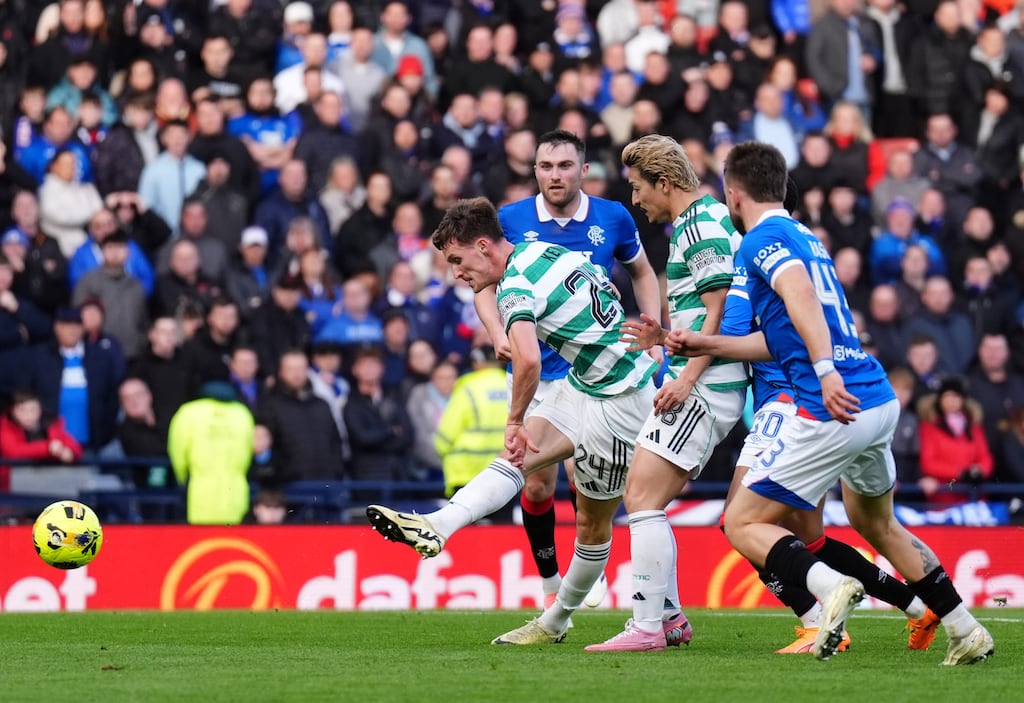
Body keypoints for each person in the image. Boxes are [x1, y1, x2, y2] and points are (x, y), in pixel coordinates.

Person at [707, 141, 992, 665]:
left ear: (733, 193)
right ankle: (964, 628)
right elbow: (786, 330)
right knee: (878, 524)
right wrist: (703, 344)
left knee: (741, 522)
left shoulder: (759, 240)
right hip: (875, 397)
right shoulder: (807, 237)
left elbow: (799, 295)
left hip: (829, 404)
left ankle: (831, 588)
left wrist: (823, 370)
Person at [366, 197, 658, 646]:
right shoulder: (544, 251)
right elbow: (608, 289)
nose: (457, 274)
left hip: (621, 401)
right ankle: (438, 525)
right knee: (519, 459)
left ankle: (562, 621)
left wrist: (514, 419)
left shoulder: (515, 284)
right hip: (587, 382)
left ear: (483, 247)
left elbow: (528, 360)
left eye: (458, 261)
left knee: (592, 526)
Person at [473, 129, 663, 611]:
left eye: (563, 166)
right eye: (545, 167)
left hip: (595, 374)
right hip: (537, 371)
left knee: (587, 481)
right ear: (534, 171)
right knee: (536, 482)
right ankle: (550, 581)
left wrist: (653, 327)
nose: (554, 175)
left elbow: (642, 271)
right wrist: (497, 333)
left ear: (583, 170)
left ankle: (588, 565)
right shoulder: (511, 218)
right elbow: (483, 285)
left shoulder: (612, 216)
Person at [583, 134, 747, 652]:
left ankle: (648, 626)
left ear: (666, 182)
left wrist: (687, 376)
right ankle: (669, 618)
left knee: (641, 497)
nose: (636, 200)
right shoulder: (696, 223)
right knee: (641, 493)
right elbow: (705, 314)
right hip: (701, 376)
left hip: (708, 385)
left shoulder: (700, 224)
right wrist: (665, 338)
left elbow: (723, 310)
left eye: (639, 188)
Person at [168, 380, 254, 525]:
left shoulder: (189, 412)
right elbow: (249, 450)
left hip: (199, 488)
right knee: (234, 534)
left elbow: (177, 451)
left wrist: (183, 478)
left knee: (202, 536)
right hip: (235, 488)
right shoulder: (242, 413)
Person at [434, 345, 509, 502]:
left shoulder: (467, 387)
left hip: (466, 473)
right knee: (503, 518)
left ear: (478, 362)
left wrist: (441, 450)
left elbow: (446, 436)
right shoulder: (513, 385)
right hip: (505, 471)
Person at [0, 389, 82, 493]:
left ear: (40, 409)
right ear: (13, 410)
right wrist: (48, 448)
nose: (28, 415)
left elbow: (70, 443)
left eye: (33, 410)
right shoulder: (6, 425)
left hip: (47, 485)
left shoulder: (50, 423)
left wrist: (70, 452)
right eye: (22, 410)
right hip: (9, 489)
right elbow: (13, 451)